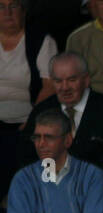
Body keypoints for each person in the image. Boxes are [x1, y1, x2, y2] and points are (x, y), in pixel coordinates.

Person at [19, 52, 103, 191]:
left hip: (94, 192)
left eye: (72, 80)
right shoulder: (42, 110)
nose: (65, 87)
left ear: (86, 80)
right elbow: (27, 157)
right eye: (58, 81)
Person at [0, 0, 56, 194]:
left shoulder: (40, 40)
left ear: (24, 11)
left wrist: (32, 120)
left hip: (26, 121)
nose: (7, 12)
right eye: (1, 6)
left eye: (14, 6)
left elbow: (50, 86)